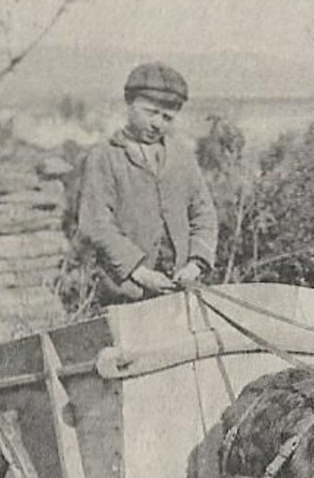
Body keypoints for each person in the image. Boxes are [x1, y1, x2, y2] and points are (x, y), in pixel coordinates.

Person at [63, 61, 218, 307]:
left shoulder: (183, 157)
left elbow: (204, 214)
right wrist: (140, 273)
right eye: (150, 112)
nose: (158, 123)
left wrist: (195, 264)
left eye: (167, 117)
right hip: (125, 293)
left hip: (178, 291)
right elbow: (96, 223)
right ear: (129, 103)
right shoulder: (104, 157)